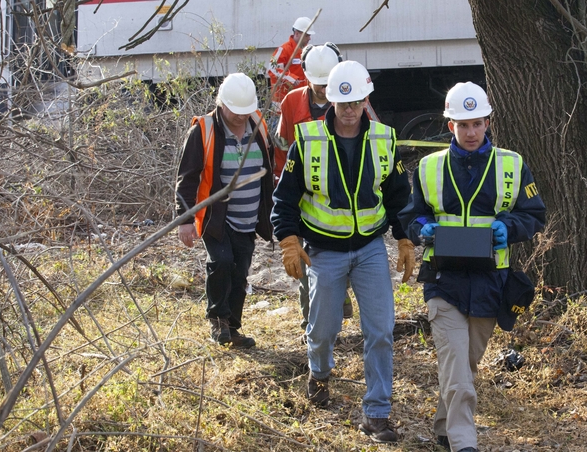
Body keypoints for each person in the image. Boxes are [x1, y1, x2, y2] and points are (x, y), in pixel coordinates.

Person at [271, 60, 415, 443]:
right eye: (342, 103)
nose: (350, 111)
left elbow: (400, 197)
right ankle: (319, 374)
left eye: (356, 103)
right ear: (330, 101)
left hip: (369, 248)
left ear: (366, 100)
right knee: (322, 330)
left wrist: (404, 239)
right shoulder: (307, 140)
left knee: (381, 331)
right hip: (324, 251)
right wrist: (288, 240)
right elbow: (284, 199)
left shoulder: (385, 139)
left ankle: (377, 414)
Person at [398, 82, 546, 452]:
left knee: (465, 367)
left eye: (477, 124)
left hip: (490, 282)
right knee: (459, 375)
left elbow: (534, 214)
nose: (470, 132)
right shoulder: (429, 167)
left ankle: (443, 430)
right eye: (462, 125)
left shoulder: (512, 164)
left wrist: (508, 228)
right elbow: (410, 215)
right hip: (442, 282)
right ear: (450, 126)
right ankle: (464, 443)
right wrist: (421, 229)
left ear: (488, 123)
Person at [273, 42, 379, 330]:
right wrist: (284, 181)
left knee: (343, 259)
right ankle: (313, 324)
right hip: (306, 196)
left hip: (347, 198)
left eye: (326, 84)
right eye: (317, 84)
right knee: (310, 266)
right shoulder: (292, 102)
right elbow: (282, 145)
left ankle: (337, 297)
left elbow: (373, 142)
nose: (321, 89)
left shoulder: (355, 100)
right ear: (306, 75)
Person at [175, 73, 275, 348]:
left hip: (249, 218)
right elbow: (187, 178)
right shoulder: (203, 130)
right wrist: (183, 220)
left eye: (247, 111)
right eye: (236, 111)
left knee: (240, 272)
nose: (242, 116)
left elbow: (269, 171)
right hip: (216, 218)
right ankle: (217, 319)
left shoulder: (258, 125)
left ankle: (232, 327)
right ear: (222, 104)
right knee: (221, 262)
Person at [268, 16, 314, 110]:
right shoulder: (283, 50)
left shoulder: (308, 51)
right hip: (282, 103)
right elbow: (272, 69)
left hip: (302, 99)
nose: (309, 38)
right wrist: (292, 79)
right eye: (307, 35)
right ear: (297, 33)